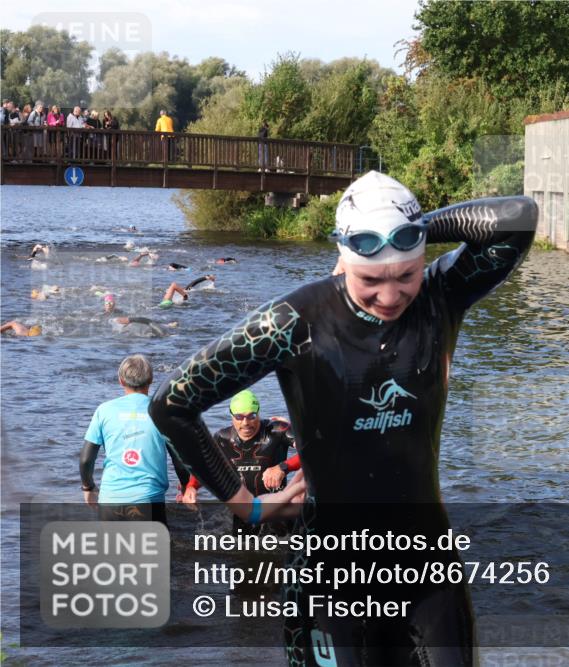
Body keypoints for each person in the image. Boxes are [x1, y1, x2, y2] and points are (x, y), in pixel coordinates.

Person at [149, 171, 537, 666]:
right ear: (343, 257)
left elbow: (517, 219)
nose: (391, 296)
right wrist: (242, 503)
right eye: (370, 279)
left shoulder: (441, 295)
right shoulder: (293, 322)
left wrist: (416, 227)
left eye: (406, 275)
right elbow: (172, 405)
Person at [80, 355, 187, 524]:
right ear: (151, 379)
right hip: (149, 500)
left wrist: (88, 487)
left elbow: (86, 459)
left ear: (121, 381)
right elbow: (179, 458)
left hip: (110, 501)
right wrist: (187, 488)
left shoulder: (104, 410)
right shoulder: (164, 411)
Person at [180, 390, 300, 532]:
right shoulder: (222, 438)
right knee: (239, 544)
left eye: (251, 416)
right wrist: (191, 487)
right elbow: (205, 465)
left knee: (285, 542)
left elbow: (311, 450)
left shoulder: (277, 430)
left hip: (276, 509)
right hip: (244, 511)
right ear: (231, 416)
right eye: (239, 417)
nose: (245, 423)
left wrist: (283, 467)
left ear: (258, 413)